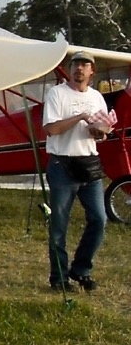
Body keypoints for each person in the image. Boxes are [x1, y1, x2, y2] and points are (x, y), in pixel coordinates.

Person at [42, 50, 112, 292]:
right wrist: (80, 117)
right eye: (75, 64)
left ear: (92, 71)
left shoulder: (97, 97)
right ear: (70, 69)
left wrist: (99, 131)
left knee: (99, 219)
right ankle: (58, 278)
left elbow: (100, 134)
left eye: (85, 65)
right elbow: (51, 129)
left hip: (89, 165)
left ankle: (81, 270)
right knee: (59, 223)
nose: (79, 68)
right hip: (62, 165)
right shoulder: (57, 93)